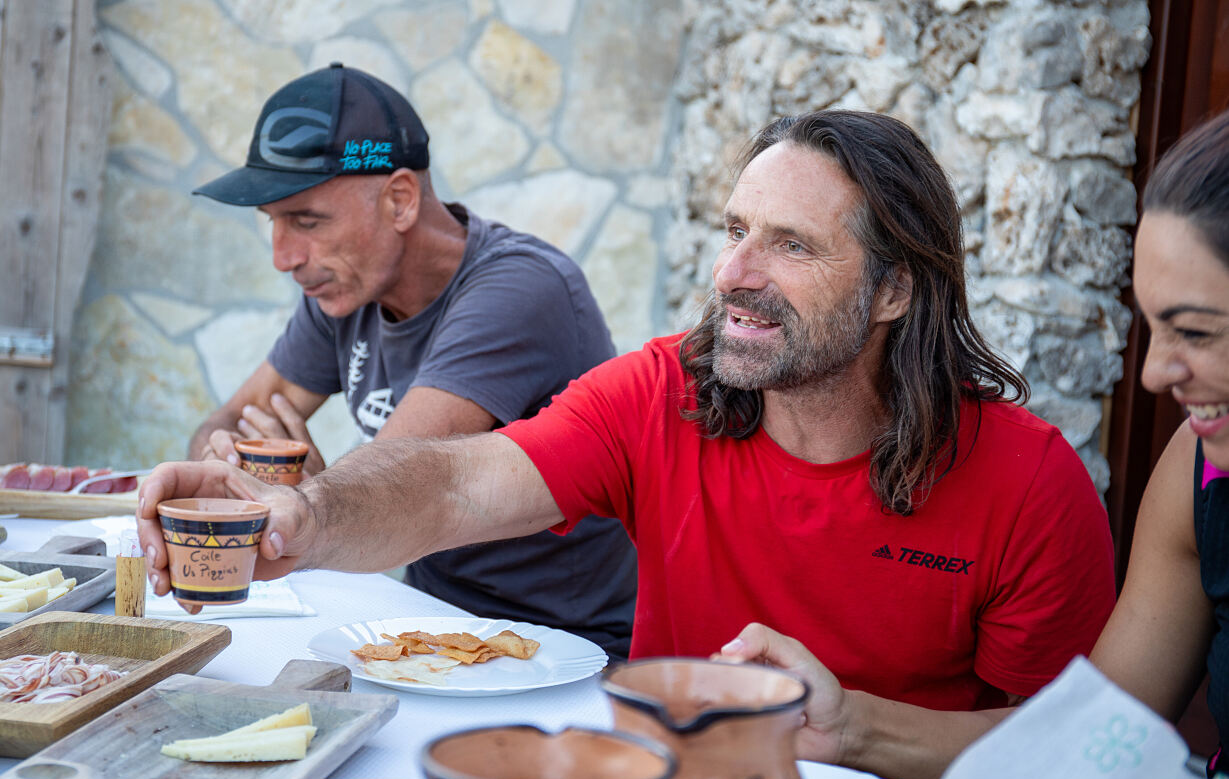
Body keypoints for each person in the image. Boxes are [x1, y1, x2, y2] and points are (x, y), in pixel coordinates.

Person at [138, 110, 1116, 717]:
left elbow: (1061, 764)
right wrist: (305, 517)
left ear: (895, 291)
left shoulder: (1026, 483)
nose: (732, 273)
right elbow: (452, 480)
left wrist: (854, 729)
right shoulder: (662, 393)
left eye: (789, 246)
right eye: (734, 233)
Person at [718, 109, 1229, 779]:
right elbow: (1089, 751)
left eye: (1194, 331)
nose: (1152, 374)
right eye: (1150, 327)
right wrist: (849, 726)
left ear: (894, 290)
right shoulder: (1195, 471)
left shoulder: (1025, 472)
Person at [185, 63, 637, 657]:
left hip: (560, 647)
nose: (283, 257)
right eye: (273, 223)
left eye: (306, 220)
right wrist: (224, 460)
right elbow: (227, 422)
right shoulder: (345, 289)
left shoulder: (522, 289)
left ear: (399, 200)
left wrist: (311, 496)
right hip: (429, 623)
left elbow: (401, 486)